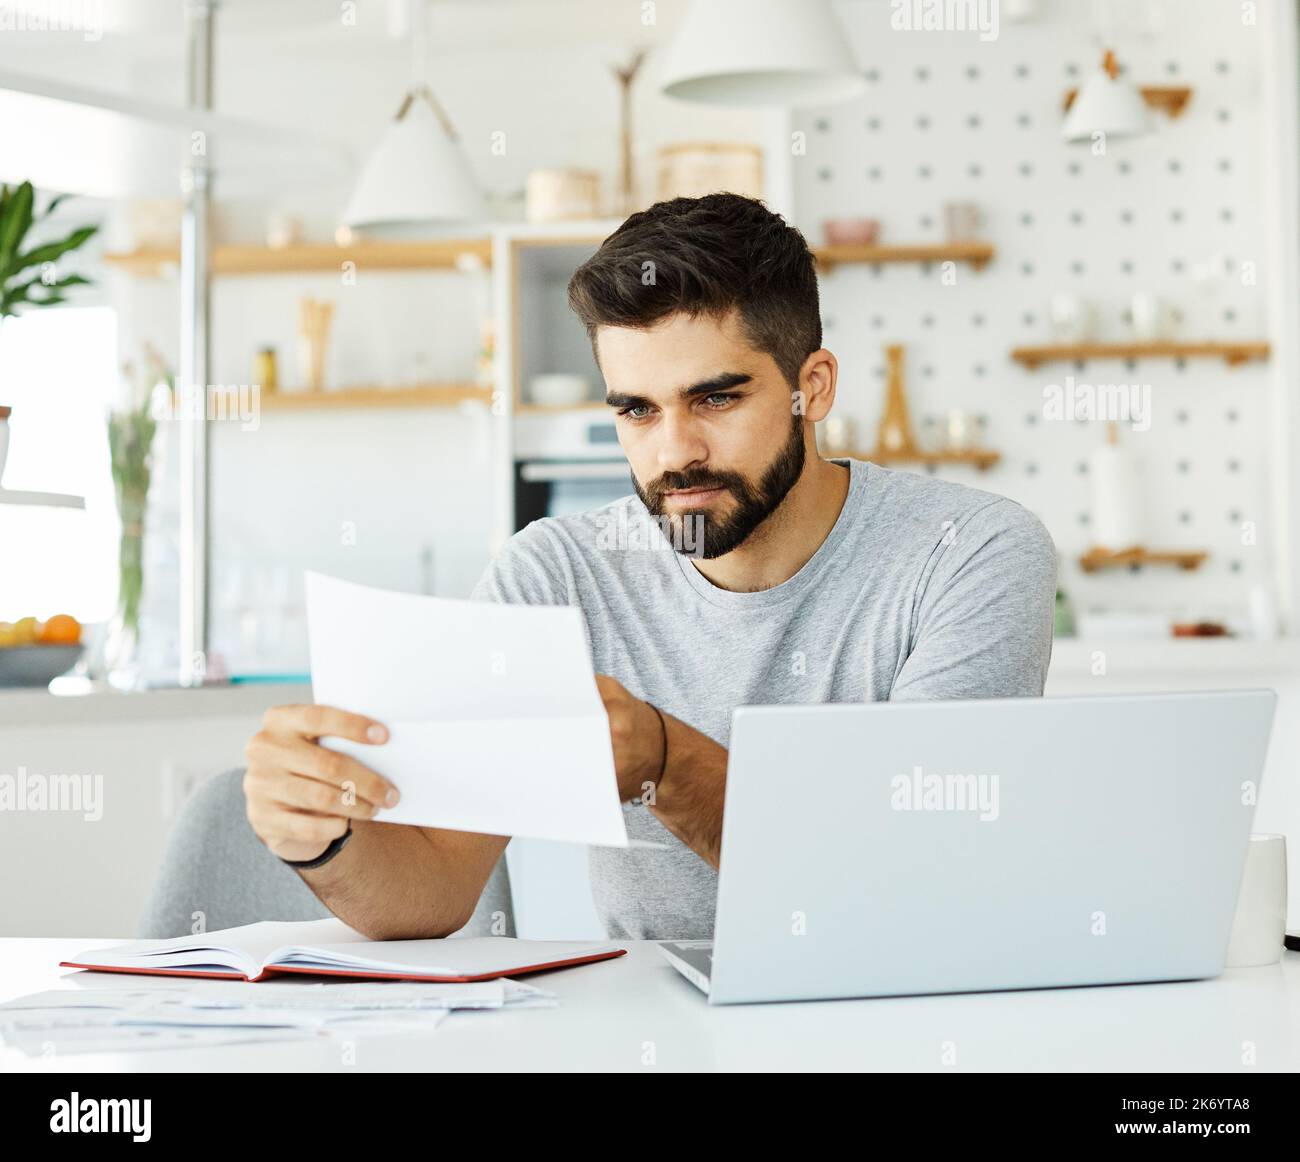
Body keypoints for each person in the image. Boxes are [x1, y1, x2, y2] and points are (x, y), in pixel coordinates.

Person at [243, 193, 1056, 940]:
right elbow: (433, 893)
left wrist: (666, 764)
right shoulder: (555, 578)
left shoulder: (970, 555)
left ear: (813, 387)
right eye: (637, 410)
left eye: (716, 399)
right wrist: (322, 835)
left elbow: (908, 889)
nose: (675, 453)